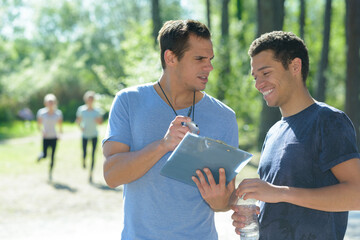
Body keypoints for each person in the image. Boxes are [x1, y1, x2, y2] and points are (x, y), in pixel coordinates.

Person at [102, 19, 239, 239]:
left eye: (210, 59)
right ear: (171, 57)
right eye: (199, 59)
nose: (209, 67)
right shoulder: (128, 101)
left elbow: (225, 202)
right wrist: (163, 145)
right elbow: (112, 175)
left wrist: (218, 199)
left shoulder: (224, 117)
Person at [231, 31, 360, 240]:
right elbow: (276, 200)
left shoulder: (328, 120)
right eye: (255, 77)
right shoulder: (273, 132)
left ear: (295, 66)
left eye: (265, 73)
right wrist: (254, 218)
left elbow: (357, 195)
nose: (258, 84)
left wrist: (279, 192)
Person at [76, 91, 103, 183]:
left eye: (92, 99)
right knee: (84, 152)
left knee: (93, 154)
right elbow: (78, 121)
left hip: (94, 135)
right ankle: (83, 160)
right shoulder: (81, 110)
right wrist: (81, 127)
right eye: (89, 99)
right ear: (86, 100)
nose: (90, 100)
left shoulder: (97, 111)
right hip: (85, 135)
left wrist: (98, 120)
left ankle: (91, 173)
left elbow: (100, 123)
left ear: (94, 100)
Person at [37, 93, 63, 181]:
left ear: (55, 103)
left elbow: (60, 126)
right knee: (45, 155)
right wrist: (42, 131)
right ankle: (40, 156)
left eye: (52, 102)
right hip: (46, 137)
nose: (50, 104)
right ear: (45, 103)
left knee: (52, 156)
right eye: (49, 102)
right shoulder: (41, 113)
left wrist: (59, 134)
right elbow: (39, 125)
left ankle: (50, 173)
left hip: (54, 137)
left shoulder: (58, 113)